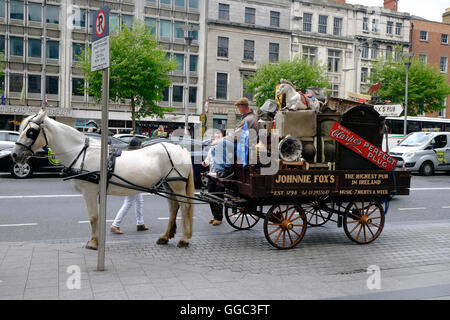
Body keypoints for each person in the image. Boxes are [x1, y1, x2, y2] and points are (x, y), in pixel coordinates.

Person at [212, 97, 259, 178]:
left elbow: (236, 136)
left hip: (245, 146)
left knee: (220, 143)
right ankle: (220, 170)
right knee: (214, 149)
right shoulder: (249, 117)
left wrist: (221, 139)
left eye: (238, 107)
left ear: (243, 107)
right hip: (241, 144)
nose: (238, 109)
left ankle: (227, 169)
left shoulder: (249, 119)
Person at [110, 137, 149, 234]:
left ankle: (140, 223)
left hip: (134, 180)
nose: (142, 147)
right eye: (141, 145)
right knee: (128, 202)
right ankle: (115, 225)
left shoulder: (130, 153)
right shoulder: (134, 155)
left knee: (139, 201)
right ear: (138, 146)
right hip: (132, 181)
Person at [202, 130, 225, 225]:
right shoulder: (212, 149)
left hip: (220, 176)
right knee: (211, 196)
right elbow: (208, 159)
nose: (216, 139)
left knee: (218, 197)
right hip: (211, 175)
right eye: (215, 137)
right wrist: (204, 163)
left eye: (218, 137)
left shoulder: (224, 148)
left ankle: (219, 218)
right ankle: (215, 216)